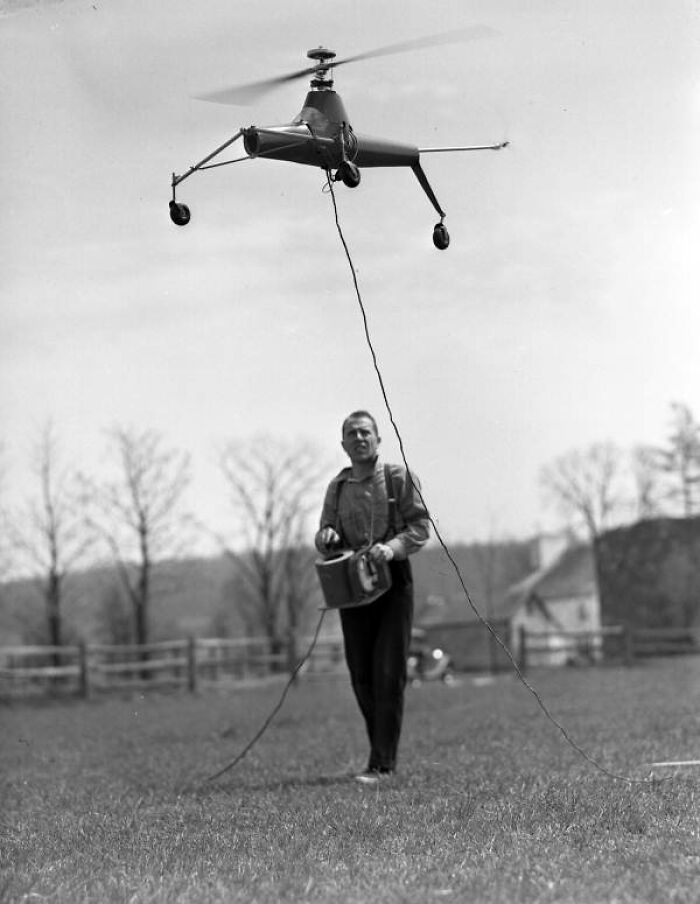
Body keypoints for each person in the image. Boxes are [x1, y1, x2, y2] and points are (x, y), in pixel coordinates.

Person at [315, 410, 430, 784]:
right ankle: (379, 756)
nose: (359, 438)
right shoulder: (337, 487)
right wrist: (327, 538)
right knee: (361, 674)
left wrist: (392, 548)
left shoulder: (398, 478)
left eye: (366, 432)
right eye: (352, 433)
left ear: (378, 439)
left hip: (393, 581)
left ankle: (382, 764)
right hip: (353, 584)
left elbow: (420, 527)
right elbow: (325, 532)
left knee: (388, 673)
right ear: (343, 444)